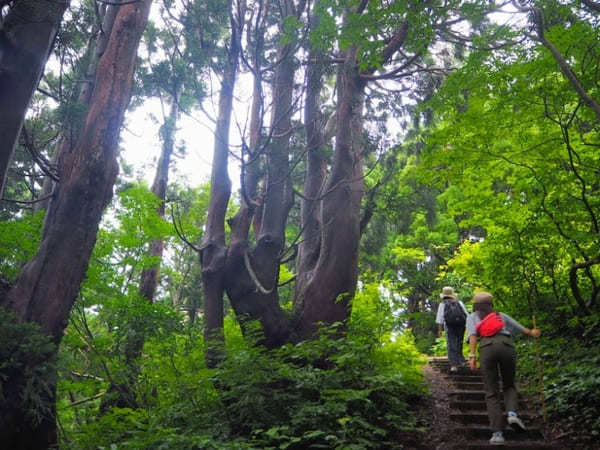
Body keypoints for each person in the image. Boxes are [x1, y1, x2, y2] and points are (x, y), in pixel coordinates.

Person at [467, 291, 541, 446]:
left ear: (475, 306)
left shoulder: (472, 317)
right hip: (507, 346)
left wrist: (472, 357)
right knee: (509, 385)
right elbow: (523, 329)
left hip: (486, 348)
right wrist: (533, 332)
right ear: (491, 305)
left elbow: (473, 336)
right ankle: (512, 414)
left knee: (491, 392)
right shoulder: (501, 315)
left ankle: (497, 434)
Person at [435, 286, 468, 373]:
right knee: (459, 342)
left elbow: (440, 318)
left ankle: (454, 365)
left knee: (451, 343)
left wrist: (440, 330)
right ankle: (461, 361)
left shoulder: (442, 304)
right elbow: (466, 315)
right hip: (461, 325)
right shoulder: (459, 302)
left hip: (449, 326)